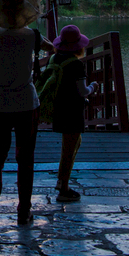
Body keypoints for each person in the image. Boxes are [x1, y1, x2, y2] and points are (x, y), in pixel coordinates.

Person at [0, 0, 42, 228]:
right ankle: (24, 209)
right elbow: (52, 48)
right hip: (27, 102)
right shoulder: (33, 36)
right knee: (25, 157)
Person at [50, 24, 98, 203]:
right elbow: (82, 91)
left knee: (70, 144)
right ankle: (63, 188)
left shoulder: (55, 59)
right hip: (73, 110)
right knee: (70, 148)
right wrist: (93, 86)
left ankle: (62, 182)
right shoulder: (76, 64)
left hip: (58, 108)